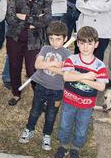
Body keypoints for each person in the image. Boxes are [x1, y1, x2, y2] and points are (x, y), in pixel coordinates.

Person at [54, 26, 108, 158]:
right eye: (82, 43)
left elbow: (101, 86)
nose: (85, 47)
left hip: (86, 105)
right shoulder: (72, 60)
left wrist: (81, 77)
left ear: (96, 44)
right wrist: (88, 76)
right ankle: (63, 146)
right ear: (77, 43)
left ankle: (76, 149)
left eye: (90, 43)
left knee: (81, 129)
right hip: (69, 101)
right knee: (65, 125)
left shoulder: (100, 66)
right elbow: (66, 77)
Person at [18, 21, 71, 151]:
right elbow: (37, 65)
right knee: (35, 111)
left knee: (51, 115)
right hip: (41, 86)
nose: (54, 42)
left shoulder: (67, 54)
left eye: (58, 39)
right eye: (51, 39)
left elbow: (65, 73)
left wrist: (47, 64)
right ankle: (29, 129)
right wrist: (55, 65)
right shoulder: (45, 49)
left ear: (65, 39)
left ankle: (47, 135)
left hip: (57, 90)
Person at [5, 0, 52, 106]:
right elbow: (10, 17)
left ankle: (38, 96)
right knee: (14, 66)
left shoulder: (45, 0)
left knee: (34, 69)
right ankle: (16, 93)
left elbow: (46, 20)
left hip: (35, 41)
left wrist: (25, 18)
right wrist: (34, 20)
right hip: (15, 38)